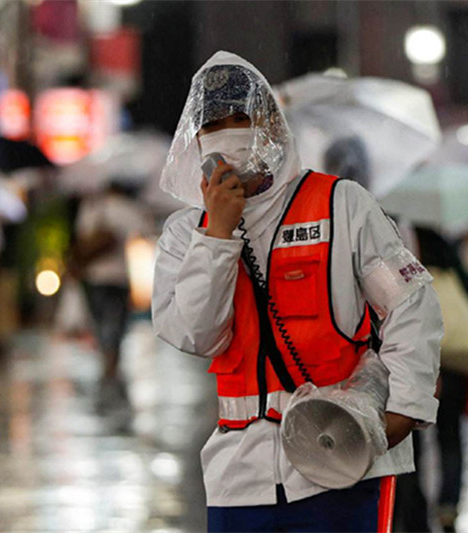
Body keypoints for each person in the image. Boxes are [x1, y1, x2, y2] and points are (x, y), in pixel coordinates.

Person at [152, 51, 442, 532]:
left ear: (268, 124)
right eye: (213, 124)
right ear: (196, 138)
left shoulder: (341, 205)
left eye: (240, 118)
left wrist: (403, 411)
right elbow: (197, 335)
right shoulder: (187, 234)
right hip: (238, 475)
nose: (228, 133)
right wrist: (217, 236)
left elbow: (412, 304)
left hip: (340, 460)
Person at [73, 180, 153, 405]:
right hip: (118, 276)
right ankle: (111, 362)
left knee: (99, 320)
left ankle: (106, 360)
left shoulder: (90, 207)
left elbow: (81, 237)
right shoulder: (125, 208)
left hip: (94, 276)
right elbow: (144, 231)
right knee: (115, 320)